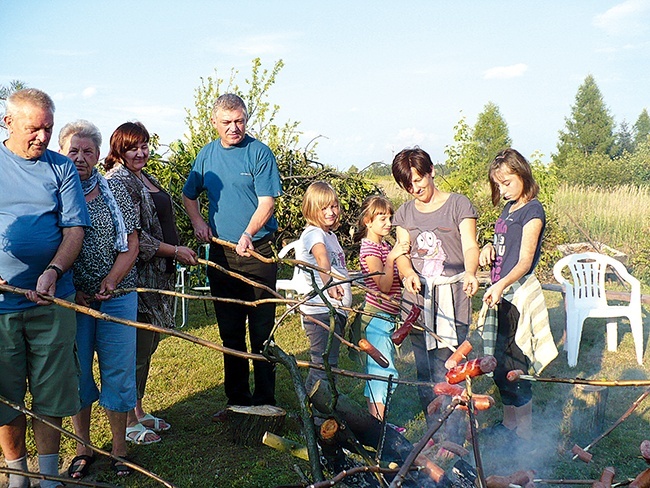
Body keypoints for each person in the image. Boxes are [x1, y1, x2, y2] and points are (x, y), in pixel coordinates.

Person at [0, 89, 90, 488]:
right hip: (2, 306)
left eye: (48, 129)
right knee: (6, 396)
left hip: (52, 300)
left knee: (52, 391)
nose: (42, 137)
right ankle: (18, 476)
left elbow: (74, 229)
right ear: (8, 123)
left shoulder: (61, 168)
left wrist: (53, 270)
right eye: (33, 129)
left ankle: (50, 479)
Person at [182, 94, 282, 419]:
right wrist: (198, 221)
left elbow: (267, 202)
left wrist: (249, 234)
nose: (234, 127)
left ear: (246, 120)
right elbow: (189, 195)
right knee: (230, 329)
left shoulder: (259, 153)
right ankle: (237, 401)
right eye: (227, 122)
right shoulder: (206, 155)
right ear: (215, 123)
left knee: (262, 330)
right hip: (222, 256)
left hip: (257, 252)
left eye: (239, 121)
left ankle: (266, 399)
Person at [105, 122, 197, 444]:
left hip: (160, 274)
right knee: (137, 348)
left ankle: (139, 411)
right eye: (133, 147)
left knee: (148, 345)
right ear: (119, 149)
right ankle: (128, 422)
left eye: (144, 145)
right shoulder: (118, 181)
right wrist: (175, 250)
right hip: (138, 277)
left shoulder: (144, 176)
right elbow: (135, 239)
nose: (141, 152)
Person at [59, 120, 139, 478]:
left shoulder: (116, 191)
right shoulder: (54, 192)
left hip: (118, 295)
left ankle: (120, 448)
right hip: (73, 299)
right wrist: (72, 288)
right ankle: (83, 448)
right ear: (61, 153)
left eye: (87, 151)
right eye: (72, 150)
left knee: (119, 372)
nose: (80, 157)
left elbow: (132, 244)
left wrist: (110, 280)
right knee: (78, 374)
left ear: (97, 154)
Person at [391, 147, 480, 445]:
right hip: (418, 300)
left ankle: (455, 433)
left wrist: (471, 271)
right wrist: (407, 273)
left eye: (419, 180)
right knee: (423, 368)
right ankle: (433, 434)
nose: (415, 188)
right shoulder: (404, 212)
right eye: (408, 185)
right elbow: (402, 252)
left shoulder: (458, 204)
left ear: (431, 172)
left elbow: (470, 244)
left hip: (451, 296)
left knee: (450, 364)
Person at [478, 148, 558, 443]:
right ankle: (509, 425)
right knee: (499, 362)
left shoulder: (533, 210)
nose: (503, 189)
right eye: (498, 184)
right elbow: (505, 246)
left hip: (517, 295)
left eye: (507, 182)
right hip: (501, 293)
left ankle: (525, 436)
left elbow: (524, 261)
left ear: (522, 175)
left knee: (516, 365)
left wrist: (499, 285)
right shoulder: (508, 209)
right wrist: (488, 246)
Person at [353, 195, 408, 420]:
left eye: (389, 218)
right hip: (376, 318)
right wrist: (393, 257)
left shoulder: (382, 245)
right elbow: (383, 286)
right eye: (382, 219)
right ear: (367, 221)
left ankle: (376, 424)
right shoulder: (370, 250)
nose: (388, 223)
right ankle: (379, 427)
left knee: (378, 372)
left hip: (386, 317)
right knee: (382, 374)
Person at [297, 181, 352, 396]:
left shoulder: (331, 235)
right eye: (324, 208)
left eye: (334, 206)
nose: (331, 212)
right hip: (319, 311)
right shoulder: (314, 233)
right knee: (323, 365)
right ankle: (317, 416)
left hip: (333, 310)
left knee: (329, 364)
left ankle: (316, 408)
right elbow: (321, 258)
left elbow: (339, 267)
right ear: (312, 209)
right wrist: (329, 285)